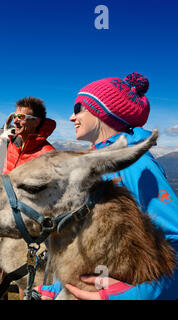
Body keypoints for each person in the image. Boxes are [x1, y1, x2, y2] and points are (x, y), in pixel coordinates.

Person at [37, 72, 178, 300]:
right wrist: (54, 289)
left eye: (78, 108)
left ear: (102, 112)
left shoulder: (137, 164)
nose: (71, 118)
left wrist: (133, 296)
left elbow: (174, 239)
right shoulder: (96, 160)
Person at [0, 97, 56, 300]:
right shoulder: (9, 144)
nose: (16, 121)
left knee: (24, 270)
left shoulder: (47, 153)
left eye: (21, 117)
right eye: (15, 116)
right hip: (2, 215)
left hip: (27, 224)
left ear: (36, 121)